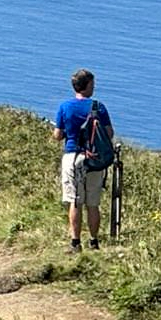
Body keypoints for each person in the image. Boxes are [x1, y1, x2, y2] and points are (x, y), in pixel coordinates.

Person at [54, 68, 111, 251]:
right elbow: (109, 133)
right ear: (87, 86)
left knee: (75, 201)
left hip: (72, 156)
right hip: (93, 158)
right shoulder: (98, 106)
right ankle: (94, 242)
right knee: (93, 203)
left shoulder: (65, 107)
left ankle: (75, 243)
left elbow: (57, 135)